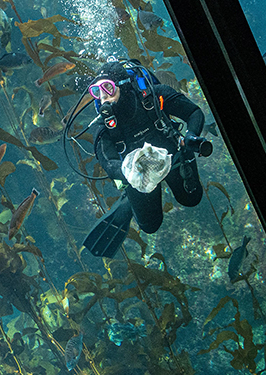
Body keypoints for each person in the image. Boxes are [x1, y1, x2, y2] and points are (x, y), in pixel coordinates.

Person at [77, 59, 212, 257]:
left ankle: (133, 196)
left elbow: (193, 112)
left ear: (123, 85)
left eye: (108, 88)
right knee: (150, 225)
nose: (103, 96)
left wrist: (190, 136)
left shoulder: (155, 95)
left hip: (173, 158)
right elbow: (108, 163)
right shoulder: (104, 126)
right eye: (97, 91)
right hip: (138, 177)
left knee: (192, 198)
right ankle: (127, 203)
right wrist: (127, 171)